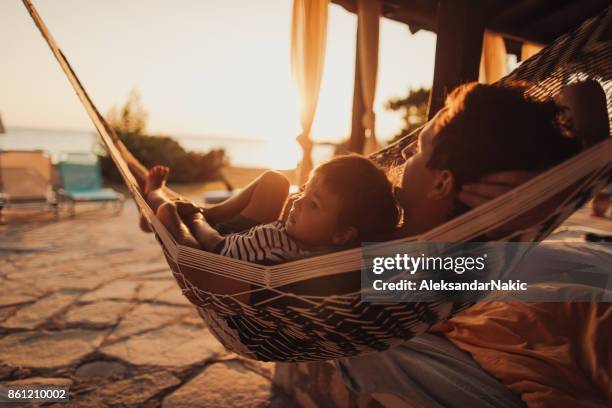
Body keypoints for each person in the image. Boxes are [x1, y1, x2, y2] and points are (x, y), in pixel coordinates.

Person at [143, 155, 399, 264]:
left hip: (213, 250)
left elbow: (218, 248)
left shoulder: (277, 243)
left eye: (313, 203)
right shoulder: (335, 251)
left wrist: (197, 219)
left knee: (167, 209)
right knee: (275, 181)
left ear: (343, 235)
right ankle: (212, 211)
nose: (297, 201)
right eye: (305, 191)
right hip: (244, 239)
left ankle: (153, 193)